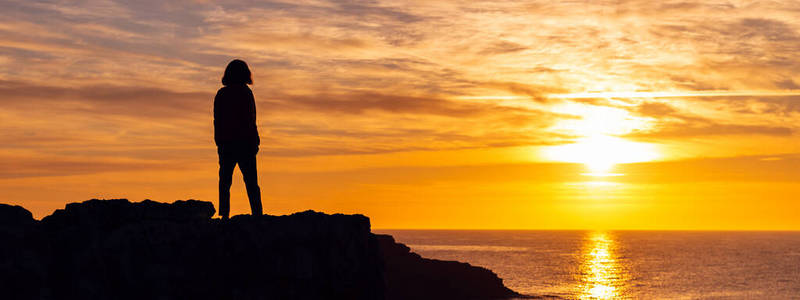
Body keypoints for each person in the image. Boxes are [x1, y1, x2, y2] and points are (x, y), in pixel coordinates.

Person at [214, 59, 262, 219]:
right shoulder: (245, 93)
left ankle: (225, 214)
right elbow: (251, 119)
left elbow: (217, 120)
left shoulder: (222, 94)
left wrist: (219, 142)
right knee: (251, 182)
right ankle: (257, 214)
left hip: (228, 143)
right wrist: (255, 141)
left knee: (225, 181)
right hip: (244, 144)